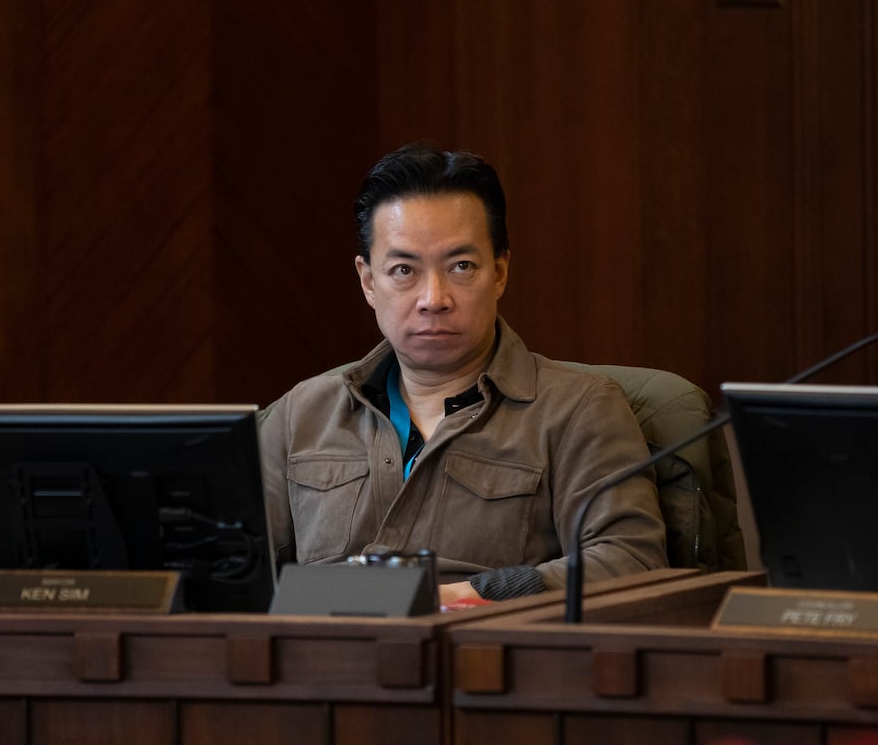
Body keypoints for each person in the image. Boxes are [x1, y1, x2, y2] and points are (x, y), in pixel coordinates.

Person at [258, 142, 668, 605]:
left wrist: (466, 595)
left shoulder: (577, 410)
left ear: (499, 271)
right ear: (369, 281)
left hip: (488, 661)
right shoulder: (301, 414)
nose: (434, 297)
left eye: (460, 266)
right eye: (403, 270)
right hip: (317, 665)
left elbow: (631, 561)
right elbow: (233, 570)